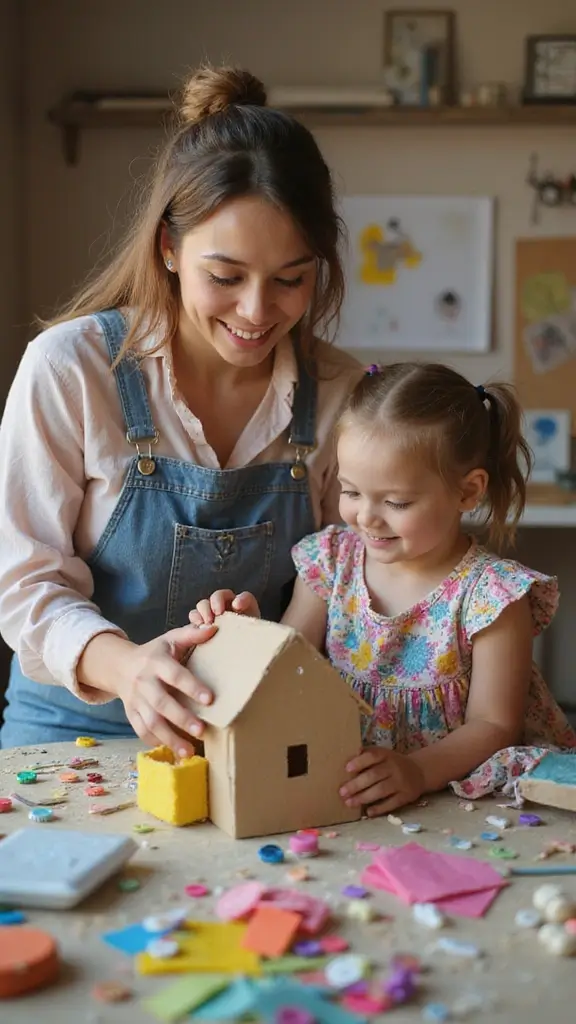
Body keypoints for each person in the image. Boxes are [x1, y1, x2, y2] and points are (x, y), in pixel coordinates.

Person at [0, 64, 362, 752]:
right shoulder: (72, 370)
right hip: (70, 735)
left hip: (248, 741)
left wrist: (267, 635)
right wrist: (129, 668)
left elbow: (350, 581)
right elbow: (22, 584)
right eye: (225, 277)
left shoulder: (342, 395)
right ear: (169, 247)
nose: (257, 313)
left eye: (291, 280)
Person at [192, 362, 576, 812]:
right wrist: (245, 634)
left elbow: (494, 725)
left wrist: (417, 770)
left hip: (458, 793)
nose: (367, 518)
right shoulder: (331, 562)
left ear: (468, 492)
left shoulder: (492, 596)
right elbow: (288, 664)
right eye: (352, 491)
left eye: (396, 502)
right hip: (347, 782)